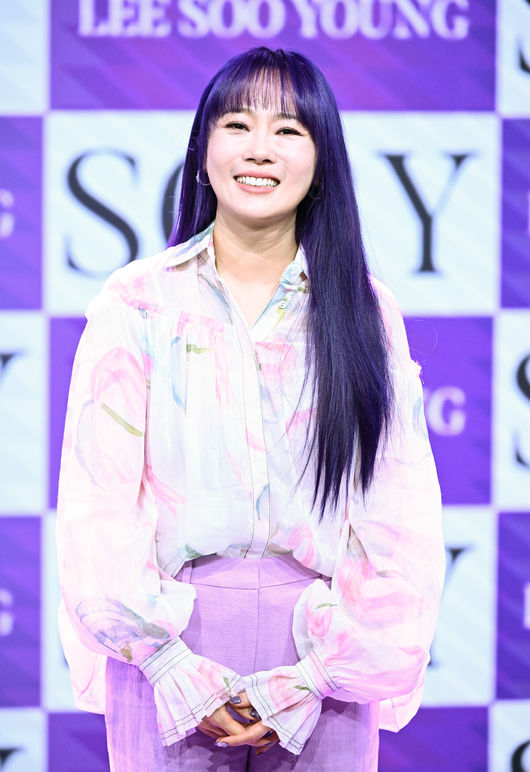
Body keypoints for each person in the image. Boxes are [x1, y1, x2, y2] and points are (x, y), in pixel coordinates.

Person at [56, 47, 445, 771]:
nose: (260, 148)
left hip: (324, 650)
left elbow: (400, 511)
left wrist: (316, 677)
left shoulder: (365, 311)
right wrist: (167, 663)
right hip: (167, 642)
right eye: (237, 124)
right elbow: (96, 502)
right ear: (203, 150)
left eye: (289, 130)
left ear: (321, 161)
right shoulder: (137, 301)